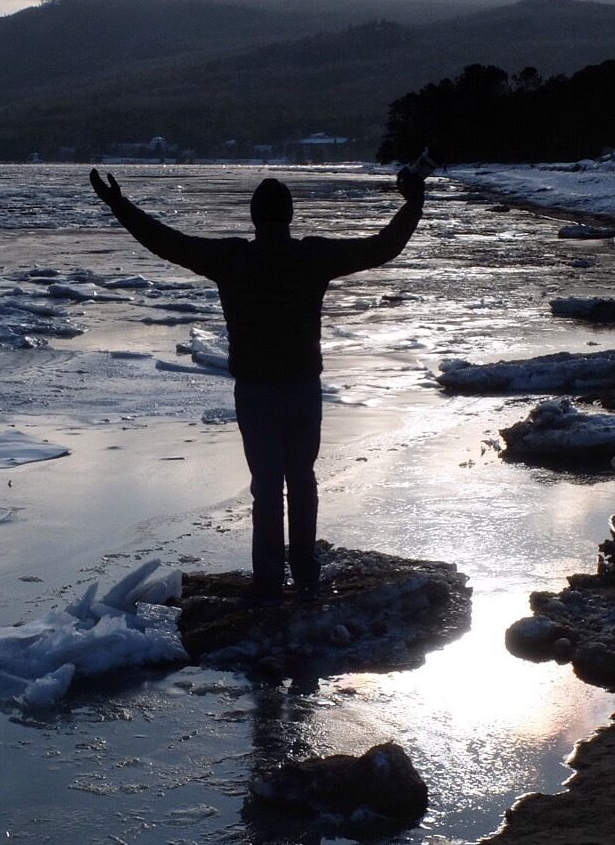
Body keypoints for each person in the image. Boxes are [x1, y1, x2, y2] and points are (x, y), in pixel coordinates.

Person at [90, 168, 426, 598]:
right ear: (289, 215)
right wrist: (413, 202)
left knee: (267, 487)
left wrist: (118, 204)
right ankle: (304, 574)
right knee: (301, 480)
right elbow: (383, 247)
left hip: (256, 391)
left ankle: (269, 581)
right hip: (302, 386)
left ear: (254, 218)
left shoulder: (233, 258)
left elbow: (167, 243)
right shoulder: (312, 257)